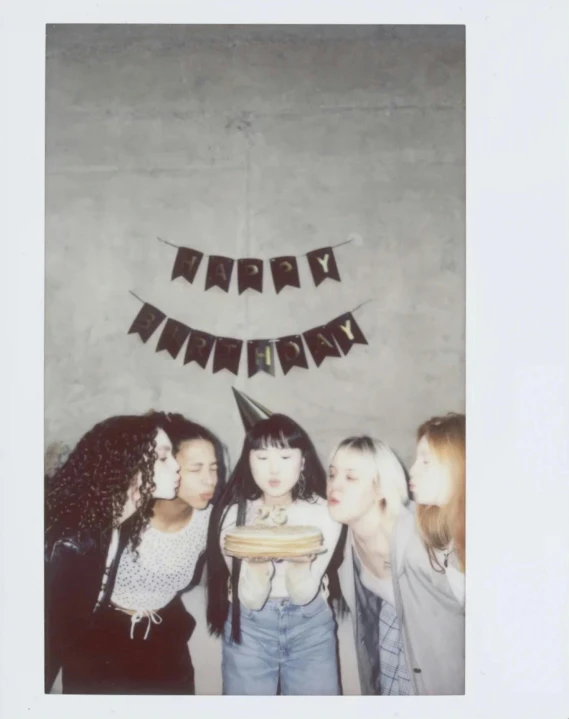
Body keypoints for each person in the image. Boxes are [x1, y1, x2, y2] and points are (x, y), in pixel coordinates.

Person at [327, 415, 465, 696]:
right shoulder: (347, 541)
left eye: (351, 477)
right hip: (391, 645)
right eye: (332, 474)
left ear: (380, 488)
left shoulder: (419, 534)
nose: (334, 485)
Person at [207, 413, 342, 696]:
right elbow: (252, 599)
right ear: (248, 461)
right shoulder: (233, 516)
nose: (273, 470)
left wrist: (300, 562)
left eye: (284, 458)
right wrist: (257, 565)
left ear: (302, 461)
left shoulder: (325, 512)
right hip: (249, 625)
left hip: (311, 625)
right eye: (262, 457)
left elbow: (304, 594)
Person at [44, 412, 180, 694]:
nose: (177, 466)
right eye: (164, 458)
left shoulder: (116, 524)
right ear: (127, 464)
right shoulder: (70, 543)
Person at [92, 413, 226, 695]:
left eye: (214, 468)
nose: (210, 480)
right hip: (103, 640)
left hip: (166, 640)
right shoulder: (126, 511)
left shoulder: (211, 520)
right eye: (196, 469)